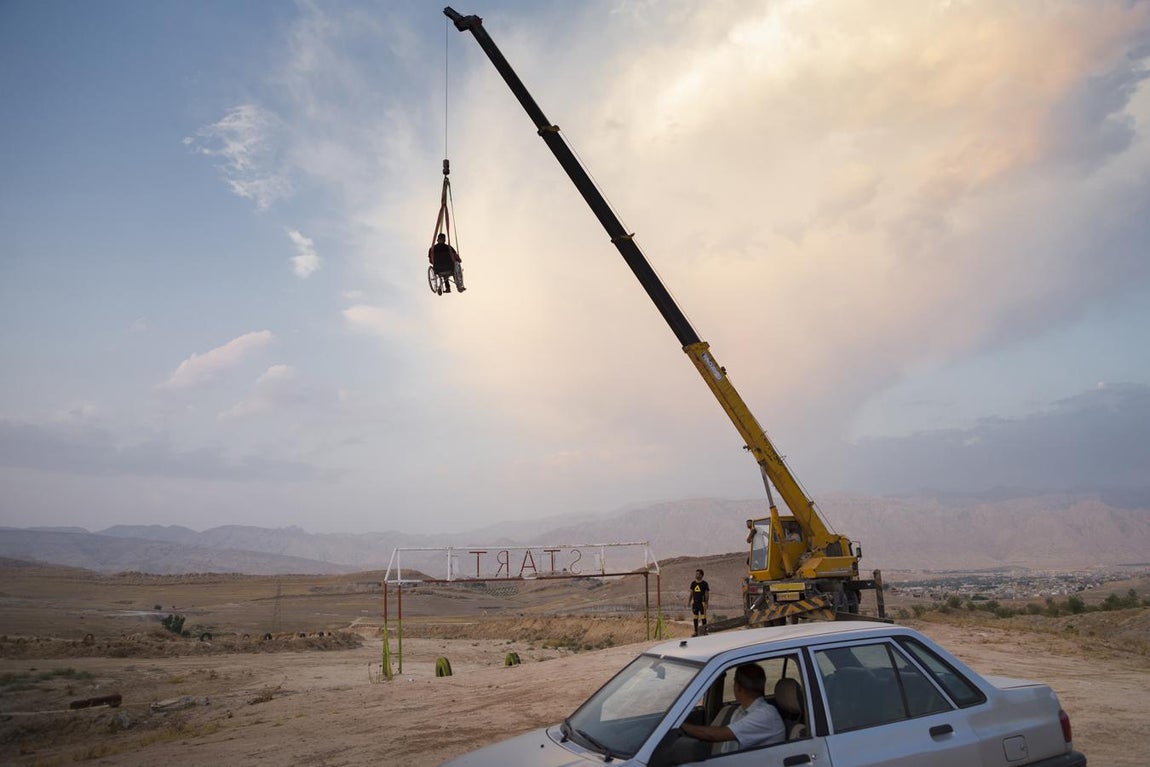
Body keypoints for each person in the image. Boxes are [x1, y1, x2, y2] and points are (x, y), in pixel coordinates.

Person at [680, 664, 785, 754]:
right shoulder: (741, 711)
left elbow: (713, 735)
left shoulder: (766, 715)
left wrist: (681, 725)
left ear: (738, 687)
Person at [687, 569, 709, 636]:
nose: (696, 575)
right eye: (696, 574)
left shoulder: (705, 584)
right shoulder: (693, 583)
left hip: (702, 603)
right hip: (695, 603)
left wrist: (706, 603)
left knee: (703, 617)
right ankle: (696, 632)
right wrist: (689, 601)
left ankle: (704, 631)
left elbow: (707, 594)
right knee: (695, 618)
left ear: (701, 575)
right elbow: (691, 593)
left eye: (698, 574)